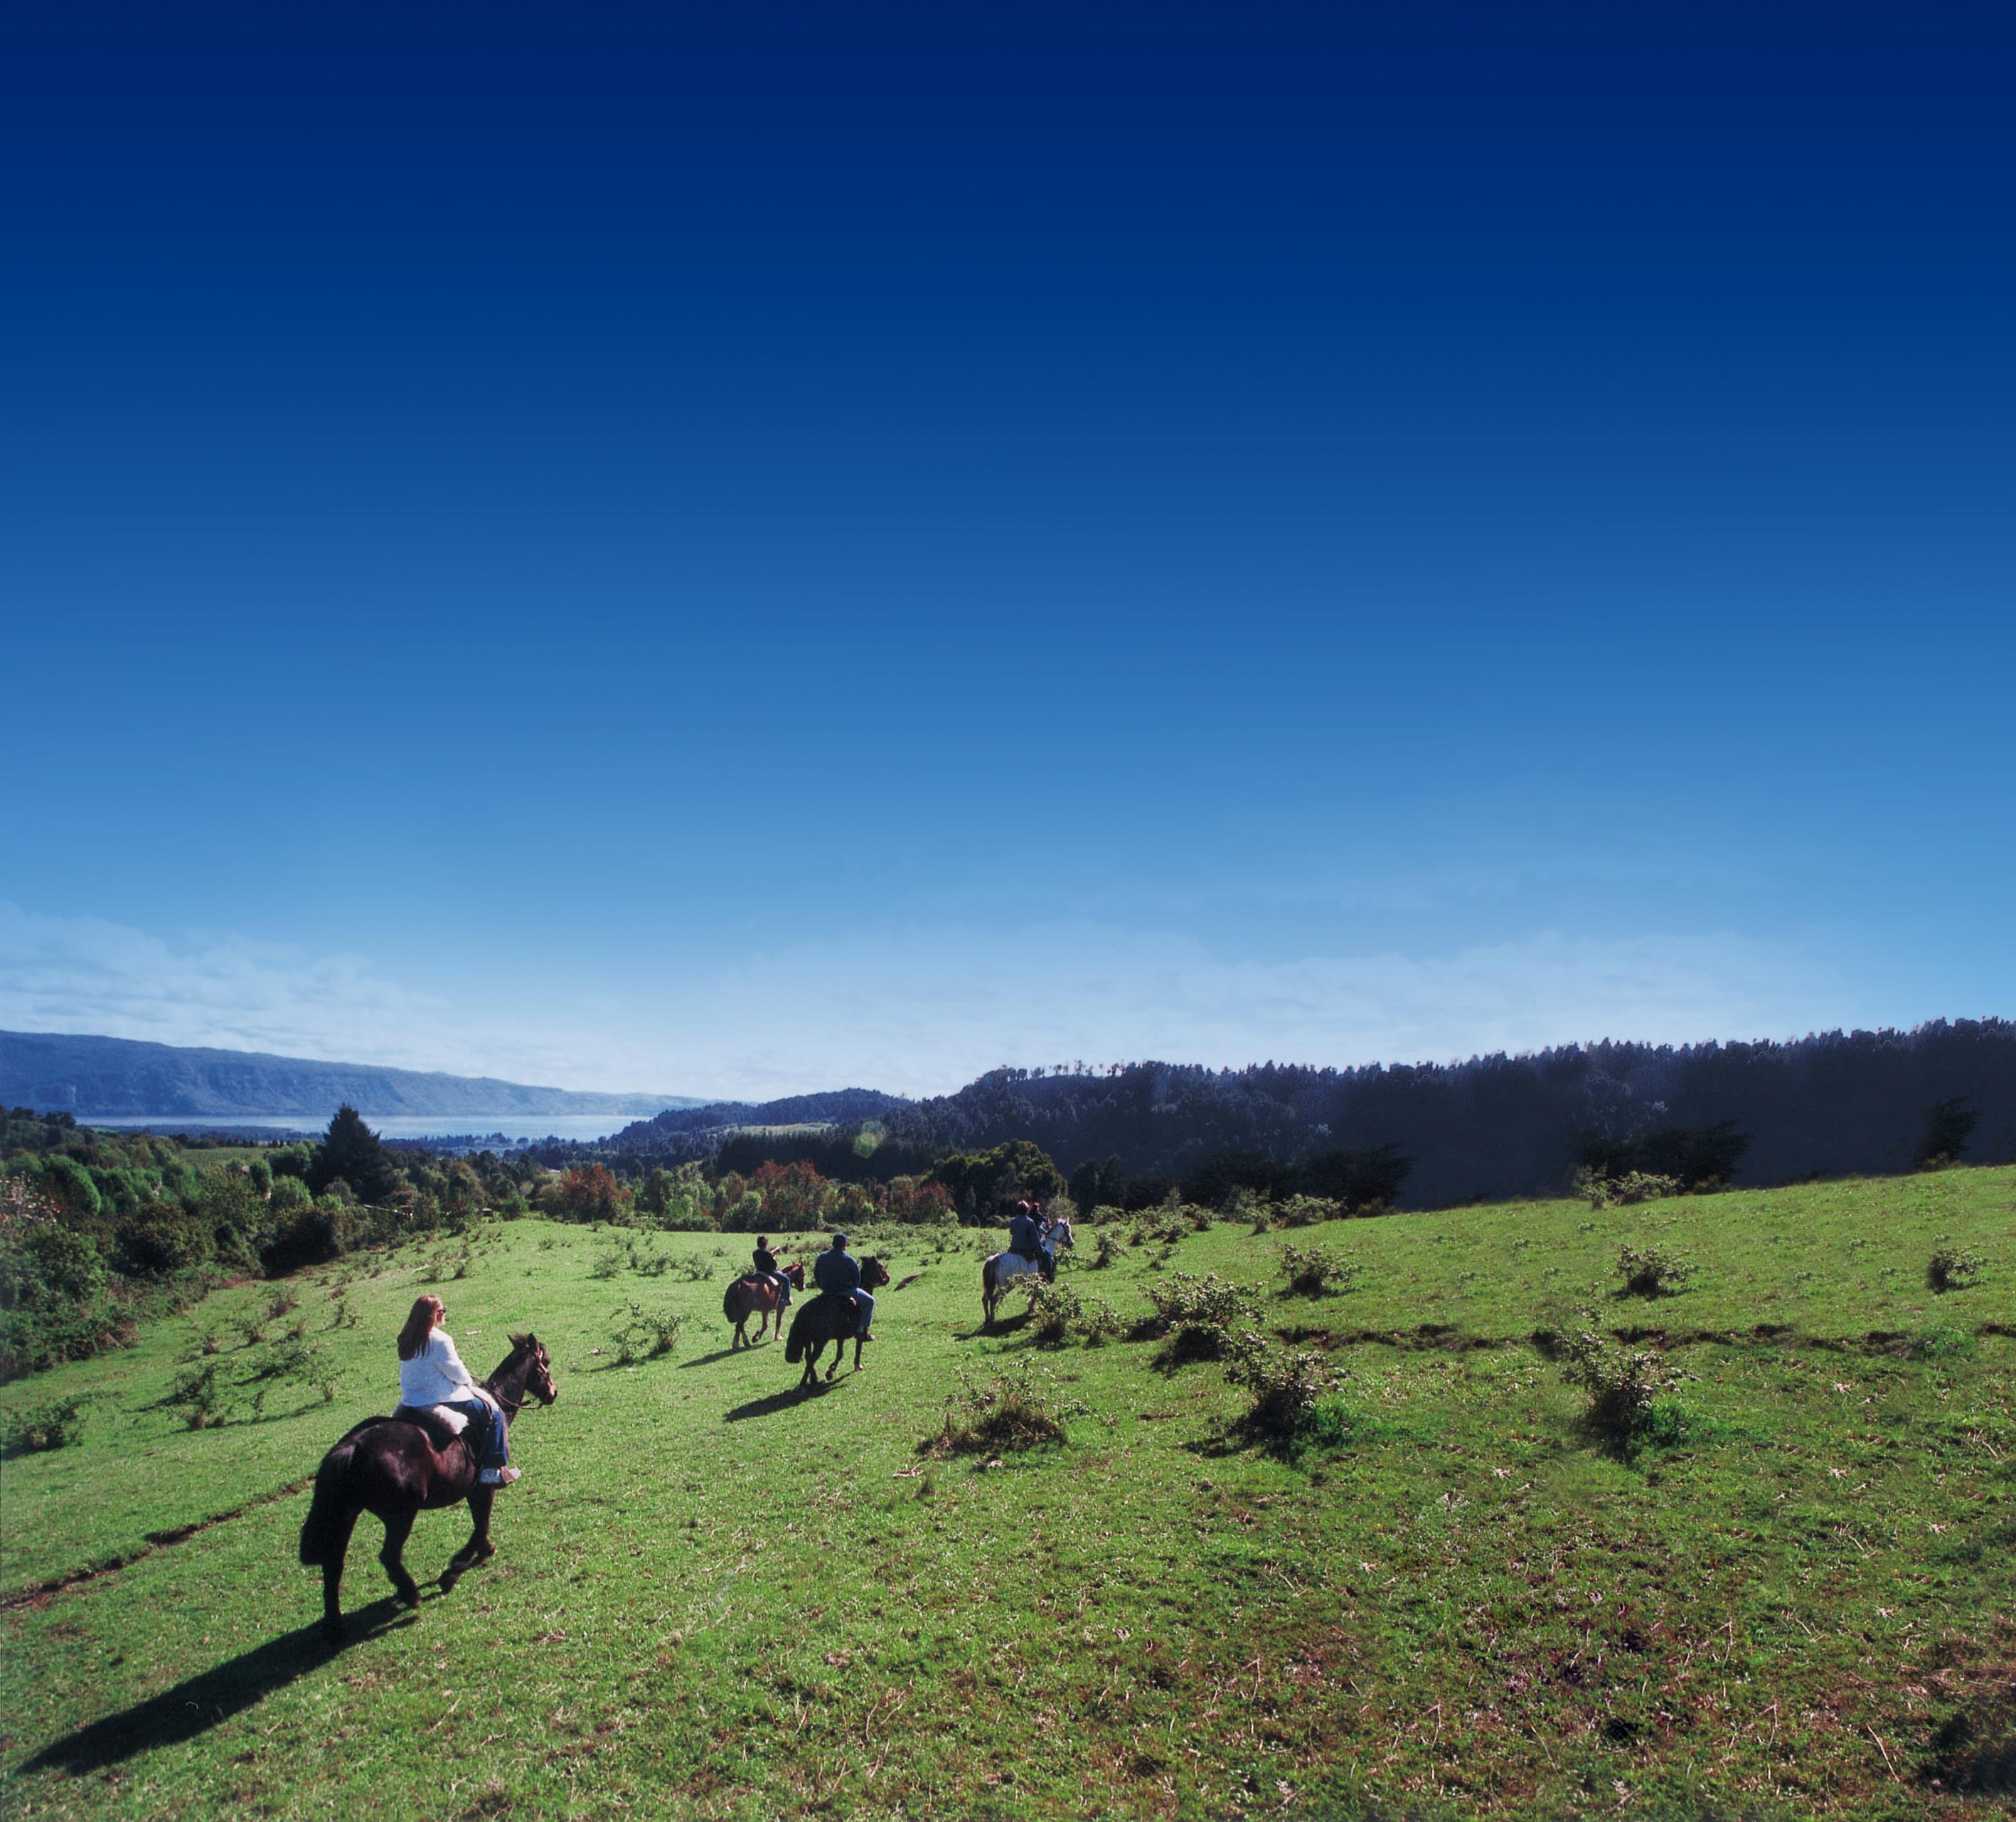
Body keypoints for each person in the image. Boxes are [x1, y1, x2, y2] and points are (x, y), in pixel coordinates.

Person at [395, 1294, 519, 1486]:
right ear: (432, 1316)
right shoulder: (440, 1340)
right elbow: (455, 1371)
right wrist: (467, 1379)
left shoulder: (408, 1338)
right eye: (442, 1311)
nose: (445, 1314)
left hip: (411, 1400)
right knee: (494, 1413)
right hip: (441, 1398)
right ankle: (492, 1470)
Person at [813, 1230, 873, 1342]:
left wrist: (822, 1286)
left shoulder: (821, 1257)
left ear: (833, 1244)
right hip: (846, 1292)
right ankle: (861, 1330)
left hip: (826, 1292)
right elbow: (857, 1280)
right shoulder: (850, 1260)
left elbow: (816, 1275)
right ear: (845, 1245)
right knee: (870, 1301)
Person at [752, 1234, 791, 1304]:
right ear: (765, 1244)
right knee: (787, 1280)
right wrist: (774, 1258)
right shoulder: (768, 1254)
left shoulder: (755, 1253)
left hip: (758, 1272)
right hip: (770, 1272)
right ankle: (784, 1299)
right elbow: (774, 1266)